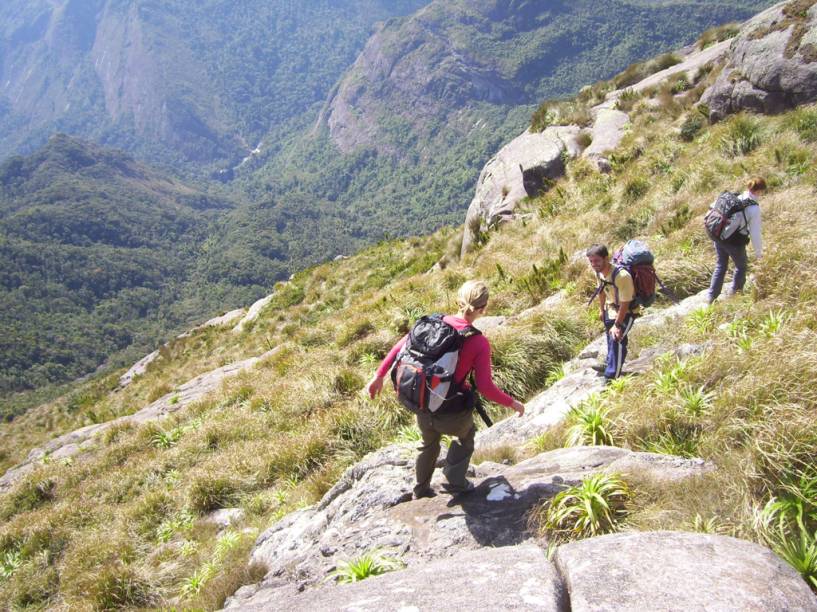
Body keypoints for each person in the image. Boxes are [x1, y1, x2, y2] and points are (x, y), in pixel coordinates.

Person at [366, 280, 525, 499]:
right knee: (466, 437)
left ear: (459, 300)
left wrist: (379, 376)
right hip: (452, 411)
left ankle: (421, 489)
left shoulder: (432, 323)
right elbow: (486, 387)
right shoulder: (478, 342)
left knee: (428, 443)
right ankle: (455, 482)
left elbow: (398, 348)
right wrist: (512, 403)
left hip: (421, 401)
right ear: (482, 309)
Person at [707, 177, 766, 303]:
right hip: (734, 242)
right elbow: (755, 233)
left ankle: (711, 297)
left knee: (721, 265)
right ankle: (735, 295)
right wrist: (759, 254)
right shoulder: (754, 209)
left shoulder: (736, 197)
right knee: (741, 267)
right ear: (758, 191)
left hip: (719, 236)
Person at [587, 244, 640, 381]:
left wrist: (617, 324)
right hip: (611, 308)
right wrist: (601, 309)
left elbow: (625, 302)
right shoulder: (599, 272)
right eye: (591, 261)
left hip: (627, 310)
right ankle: (609, 362)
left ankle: (611, 376)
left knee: (617, 338)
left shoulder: (622, 276)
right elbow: (601, 291)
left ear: (606, 258)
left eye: (597, 260)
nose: (594, 264)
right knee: (610, 336)